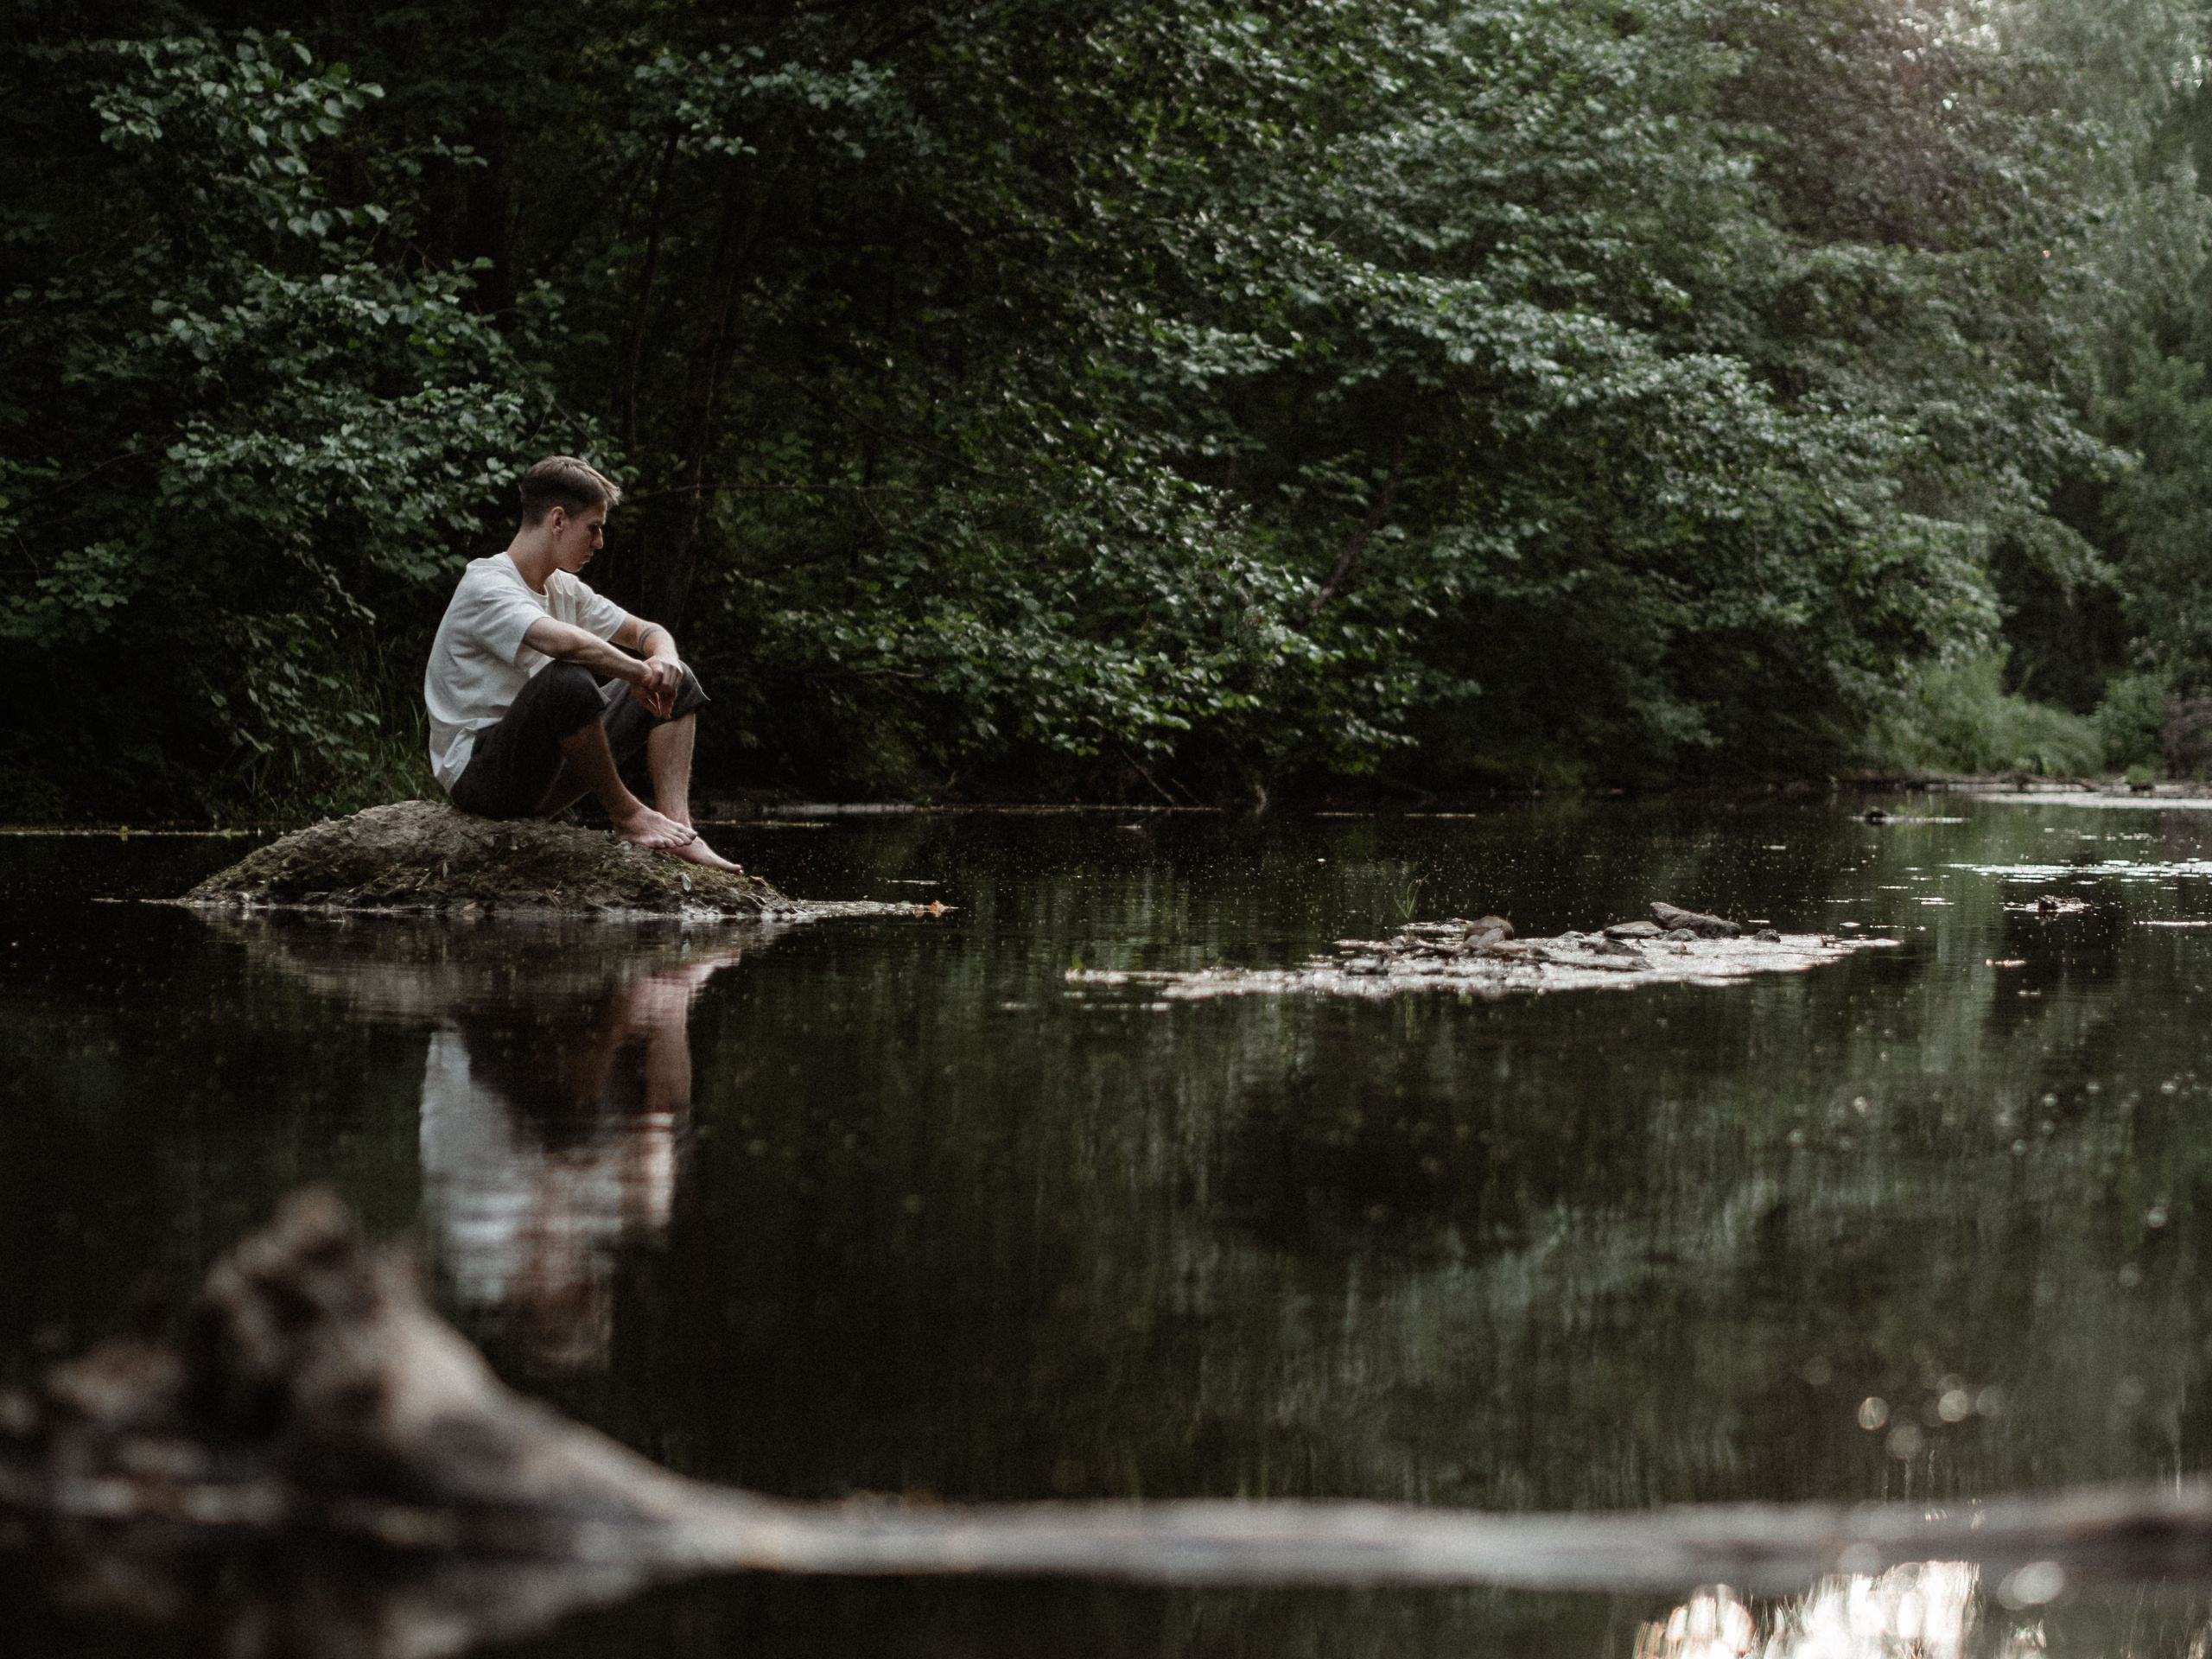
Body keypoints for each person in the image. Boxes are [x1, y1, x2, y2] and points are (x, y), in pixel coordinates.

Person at [423, 454, 741, 871]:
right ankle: (628, 816)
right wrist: (639, 672)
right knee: (567, 680)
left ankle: (679, 830)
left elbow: (648, 632)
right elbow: (565, 645)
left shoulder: (564, 588)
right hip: (483, 778)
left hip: (544, 769)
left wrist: (663, 659)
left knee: (677, 680)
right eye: (593, 529)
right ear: (558, 520)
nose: (599, 543)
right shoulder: (486, 585)